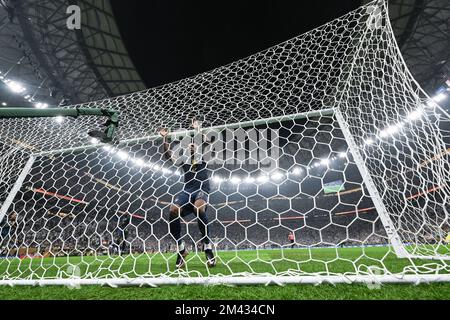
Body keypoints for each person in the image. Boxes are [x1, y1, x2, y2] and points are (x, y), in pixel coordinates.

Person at [159, 119, 216, 269]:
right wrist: (165, 138)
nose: (191, 146)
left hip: (202, 189)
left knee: (198, 208)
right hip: (187, 191)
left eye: (193, 144)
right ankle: (181, 248)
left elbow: (207, 142)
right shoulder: (183, 160)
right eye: (189, 145)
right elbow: (167, 155)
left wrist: (199, 129)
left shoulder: (203, 157)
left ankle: (207, 246)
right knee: (173, 210)